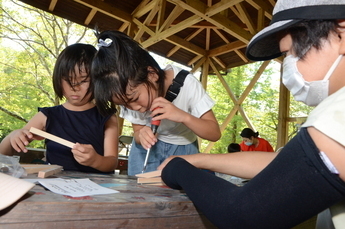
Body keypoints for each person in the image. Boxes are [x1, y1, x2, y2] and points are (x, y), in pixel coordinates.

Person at [158, 1, 345, 228]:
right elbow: (284, 164)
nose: (289, 67)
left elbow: (242, 214)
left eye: (291, 52)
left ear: (341, 33)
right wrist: (194, 159)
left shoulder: (338, 111)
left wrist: (177, 170)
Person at [91, 30, 221, 176]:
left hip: (183, 149)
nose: (135, 109)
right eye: (125, 105)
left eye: (134, 99)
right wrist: (141, 135)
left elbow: (214, 133)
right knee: (140, 195)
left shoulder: (187, 84)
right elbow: (138, 132)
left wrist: (183, 117)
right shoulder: (127, 94)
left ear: (152, 74)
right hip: (145, 153)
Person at [0, 43, 119, 173]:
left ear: (97, 80)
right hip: (52, 184)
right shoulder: (46, 116)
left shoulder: (107, 118)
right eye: (68, 80)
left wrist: (96, 160)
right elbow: (4, 152)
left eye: (83, 80)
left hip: (96, 188)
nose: (74, 87)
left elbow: (112, 162)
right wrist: (13, 136)